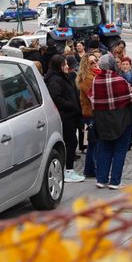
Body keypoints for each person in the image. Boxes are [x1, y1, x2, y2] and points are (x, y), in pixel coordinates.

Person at [89, 54, 132, 189]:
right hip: (121, 119)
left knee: (105, 149)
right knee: (120, 150)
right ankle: (115, 181)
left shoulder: (96, 80)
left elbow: (92, 99)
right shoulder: (119, 80)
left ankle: (101, 179)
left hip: (103, 120)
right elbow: (130, 96)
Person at [44, 55, 85, 183]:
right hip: (65, 116)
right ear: (59, 66)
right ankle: (68, 171)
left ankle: (68, 170)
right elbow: (56, 98)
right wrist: (71, 105)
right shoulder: (55, 80)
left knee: (71, 142)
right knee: (71, 142)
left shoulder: (62, 77)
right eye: (64, 64)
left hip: (70, 115)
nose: (67, 66)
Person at [77, 52, 100, 178]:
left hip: (94, 113)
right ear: (86, 65)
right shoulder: (87, 78)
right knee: (94, 143)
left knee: (94, 143)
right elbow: (94, 96)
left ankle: (90, 170)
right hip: (90, 114)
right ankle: (93, 169)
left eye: (96, 60)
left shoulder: (96, 75)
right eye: (92, 62)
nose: (96, 63)